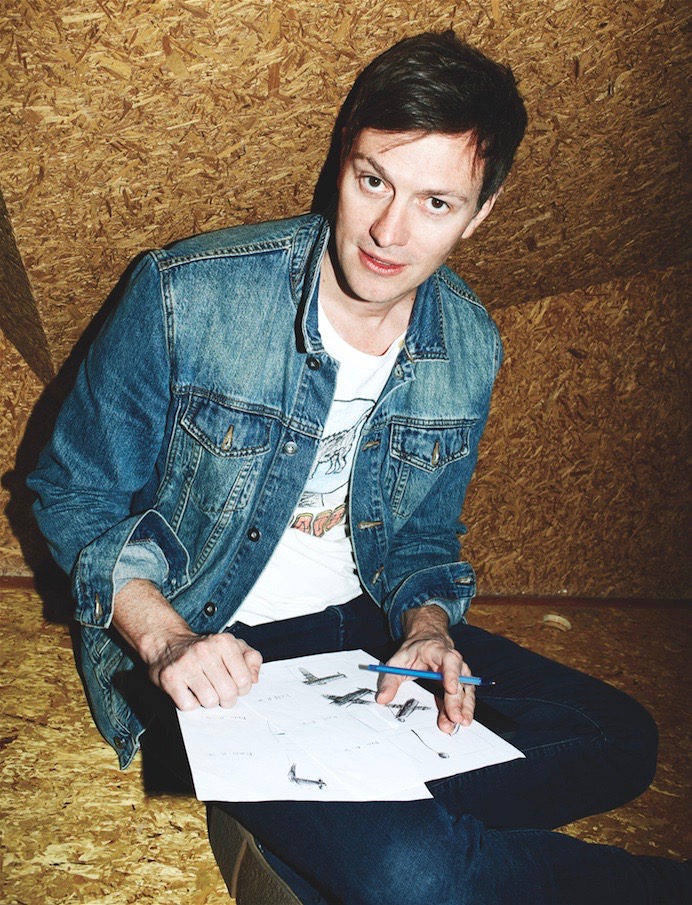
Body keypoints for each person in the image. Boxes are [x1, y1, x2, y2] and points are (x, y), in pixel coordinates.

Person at [28, 30, 688, 905]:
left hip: (368, 632)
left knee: (623, 739)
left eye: (436, 202)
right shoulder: (187, 292)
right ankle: (372, 841)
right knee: (416, 876)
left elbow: (421, 538)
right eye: (373, 180)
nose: (387, 231)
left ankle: (319, 820)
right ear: (342, 156)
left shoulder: (469, 343)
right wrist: (166, 638)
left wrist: (426, 626)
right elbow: (72, 493)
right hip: (215, 642)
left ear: (482, 211)